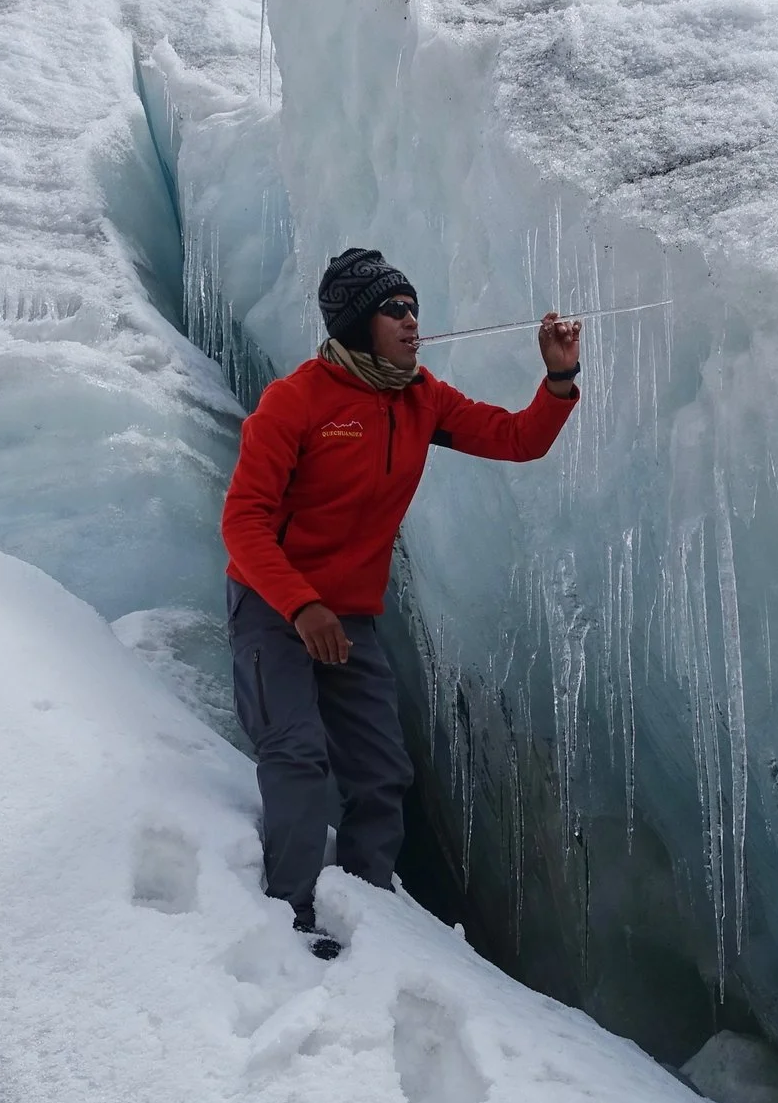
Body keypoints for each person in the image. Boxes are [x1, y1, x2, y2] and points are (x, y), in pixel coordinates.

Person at [221, 247, 582, 958]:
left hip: (348, 616)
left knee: (382, 774)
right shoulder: (296, 402)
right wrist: (300, 606)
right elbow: (243, 521)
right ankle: (289, 920)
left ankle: (361, 914)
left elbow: (515, 439)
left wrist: (559, 376)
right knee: (296, 756)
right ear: (357, 322)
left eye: (414, 307)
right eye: (394, 309)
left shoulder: (420, 398)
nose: (412, 320)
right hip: (275, 605)